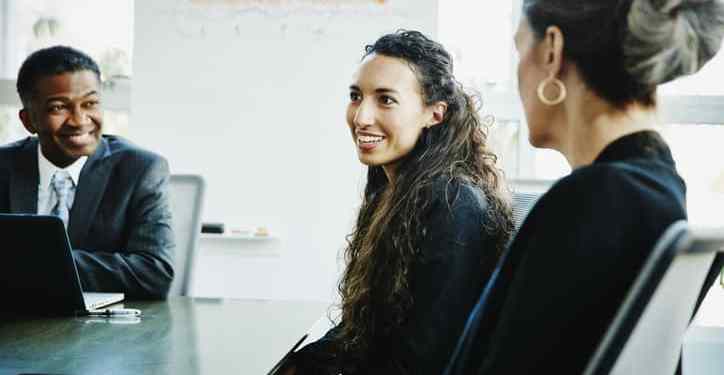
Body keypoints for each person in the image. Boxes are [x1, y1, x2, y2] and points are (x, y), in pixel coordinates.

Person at [444, 0, 724, 374]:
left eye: (520, 48)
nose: (517, 74)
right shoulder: (656, 187)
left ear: (551, 51)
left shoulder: (592, 203)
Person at [283, 30, 513, 374]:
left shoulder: (455, 205)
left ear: (434, 113)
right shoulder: (391, 190)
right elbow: (363, 332)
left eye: (386, 99)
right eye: (356, 96)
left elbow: (421, 362)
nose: (361, 117)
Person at [0, 46, 174, 299]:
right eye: (59, 107)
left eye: (90, 103)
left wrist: (40, 264)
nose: (80, 120)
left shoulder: (140, 170)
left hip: (102, 330)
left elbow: (154, 273)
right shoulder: (4, 167)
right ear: (29, 121)